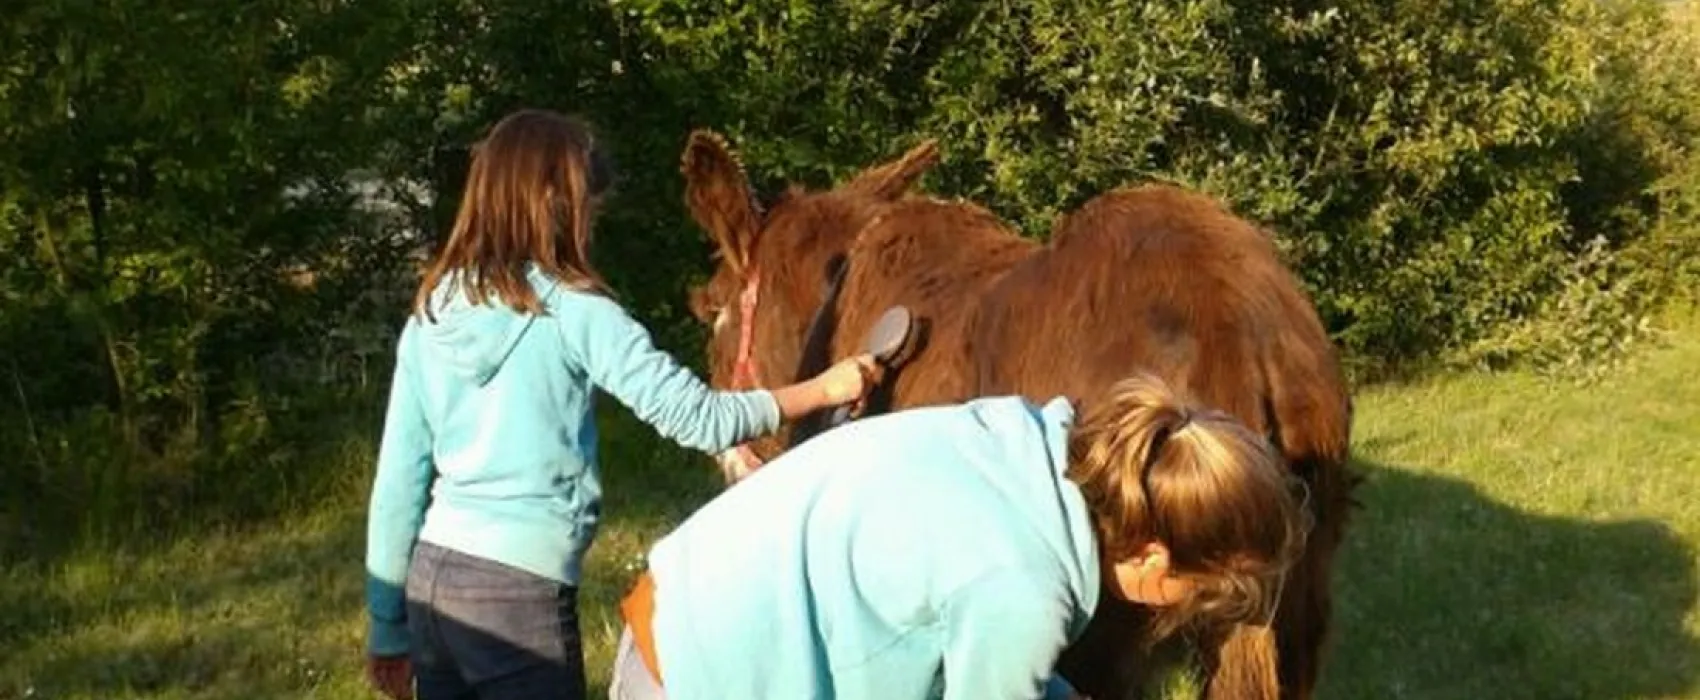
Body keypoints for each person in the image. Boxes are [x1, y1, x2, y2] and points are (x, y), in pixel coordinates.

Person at [362, 109, 877, 700]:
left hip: (433, 582)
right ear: (558, 203)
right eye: (588, 209)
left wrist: (387, 625)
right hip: (517, 596)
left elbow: (399, 479)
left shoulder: (432, 310)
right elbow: (701, 419)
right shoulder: (575, 312)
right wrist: (827, 388)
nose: (590, 226)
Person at [607, 372, 1313, 700]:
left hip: (680, 602)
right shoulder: (1023, 591)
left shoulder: (1027, 441)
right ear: (1153, 554)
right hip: (704, 673)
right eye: (1193, 593)